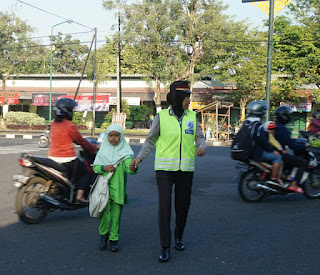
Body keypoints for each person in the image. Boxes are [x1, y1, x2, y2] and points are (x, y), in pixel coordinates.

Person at [130, 80, 206, 263]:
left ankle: (178, 237)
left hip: (185, 170)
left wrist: (202, 147)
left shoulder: (191, 117)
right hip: (164, 170)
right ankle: (165, 246)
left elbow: (200, 137)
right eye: (187, 97)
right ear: (179, 98)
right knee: (165, 208)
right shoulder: (161, 117)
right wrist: (139, 158)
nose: (189, 100)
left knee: (182, 207)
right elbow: (150, 140)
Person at [93, 124, 138, 252]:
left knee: (116, 217)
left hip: (118, 189)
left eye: (116, 135)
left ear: (121, 137)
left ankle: (114, 240)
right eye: (111, 135)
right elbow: (96, 167)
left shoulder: (126, 153)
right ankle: (103, 236)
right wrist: (104, 168)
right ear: (107, 137)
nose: (113, 138)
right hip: (104, 191)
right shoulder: (103, 151)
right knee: (104, 216)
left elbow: (129, 169)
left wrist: (133, 168)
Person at [48, 97, 99, 204]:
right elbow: (80, 141)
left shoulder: (53, 125)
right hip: (67, 159)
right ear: (67, 111)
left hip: (52, 157)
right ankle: (79, 197)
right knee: (85, 172)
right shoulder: (70, 125)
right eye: (71, 110)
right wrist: (94, 148)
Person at [244, 101, 283, 186]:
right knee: (278, 157)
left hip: (248, 152)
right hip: (256, 153)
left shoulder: (246, 123)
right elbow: (262, 141)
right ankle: (274, 179)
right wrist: (272, 150)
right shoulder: (258, 125)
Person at [273, 105, 310, 193]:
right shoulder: (283, 129)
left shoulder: (273, 126)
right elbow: (291, 145)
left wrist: (294, 140)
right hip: (279, 154)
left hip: (271, 152)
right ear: (284, 117)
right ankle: (294, 184)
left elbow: (286, 140)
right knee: (303, 163)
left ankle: (286, 176)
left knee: (290, 158)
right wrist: (304, 146)